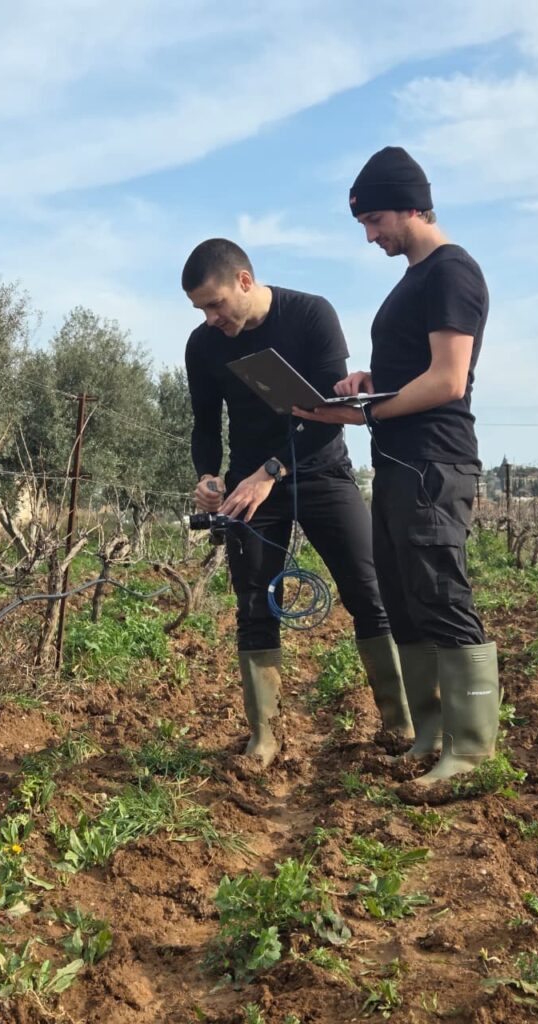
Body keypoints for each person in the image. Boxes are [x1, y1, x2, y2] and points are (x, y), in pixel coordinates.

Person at [294, 147, 498, 786]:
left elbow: (447, 380)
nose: (370, 235)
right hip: (399, 465)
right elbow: (415, 371)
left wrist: (367, 414)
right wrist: (369, 383)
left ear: (413, 204)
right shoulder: (413, 280)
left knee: (441, 595)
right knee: (406, 602)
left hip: (434, 463)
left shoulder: (451, 273)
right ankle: (431, 734)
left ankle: (471, 749)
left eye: (376, 219)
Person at [181, 238, 412, 767]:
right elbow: (204, 423)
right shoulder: (204, 346)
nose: (211, 318)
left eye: (215, 304)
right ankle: (264, 737)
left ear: (244, 281)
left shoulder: (310, 315)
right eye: (200, 309)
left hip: (321, 469)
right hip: (248, 486)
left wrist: (271, 471)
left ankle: (399, 722)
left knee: (368, 592)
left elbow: (328, 413)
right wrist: (210, 476)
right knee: (254, 606)